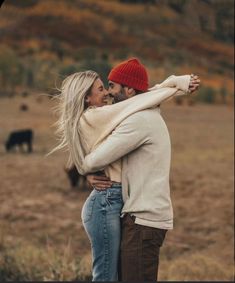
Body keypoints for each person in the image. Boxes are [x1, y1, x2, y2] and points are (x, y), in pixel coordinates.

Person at [52, 58, 200, 281]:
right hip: (133, 215)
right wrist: (175, 84)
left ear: (129, 90)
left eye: (111, 86)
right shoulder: (128, 113)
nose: (109, 93)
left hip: (143, 219)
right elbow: (144, 96)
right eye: (103, 87)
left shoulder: (138, 120)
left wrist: (85, 169)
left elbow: (93, 161)